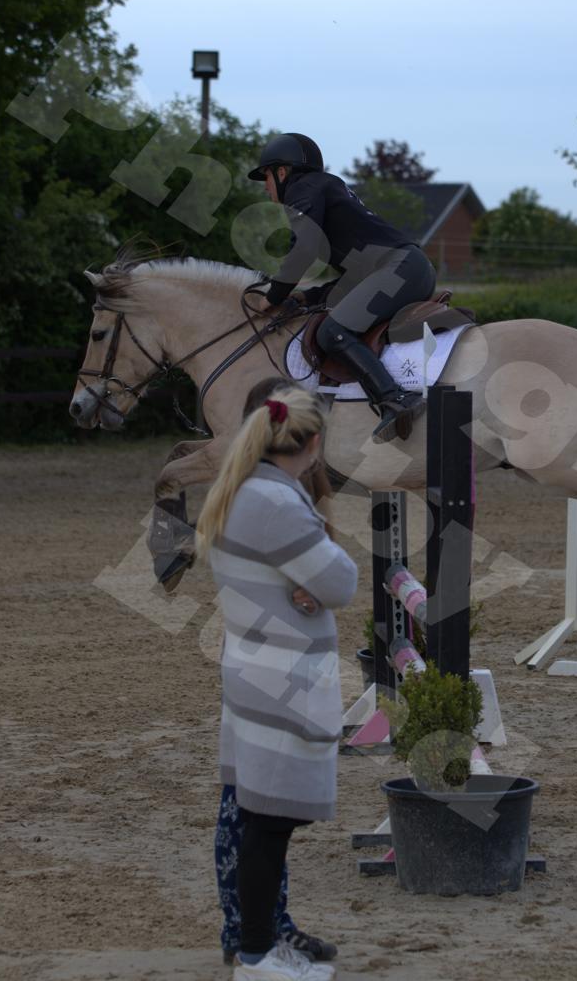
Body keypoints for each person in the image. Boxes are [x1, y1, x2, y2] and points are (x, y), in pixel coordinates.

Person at [196, 384, 357, 981]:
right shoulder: (278, 503)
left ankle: (258, 944)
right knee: (268, 824)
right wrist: (312, 584)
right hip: (282, 678)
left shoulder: (243, 488)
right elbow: (342, 581)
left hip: (253, 666)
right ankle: (258, 953)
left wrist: (301, 584)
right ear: (313, 445)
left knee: (261, 821)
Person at [247, 132, 438, 442]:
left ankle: (396, 399)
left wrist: (274, 295)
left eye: (266, 177)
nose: (265, 186)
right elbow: (353, 281)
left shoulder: (301, 188)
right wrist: (306, 297)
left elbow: (304, 248)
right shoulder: (323, 189)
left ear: (282, 172)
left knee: (332, 331)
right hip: (407, 268)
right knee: (332, 320)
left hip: (399, 269)